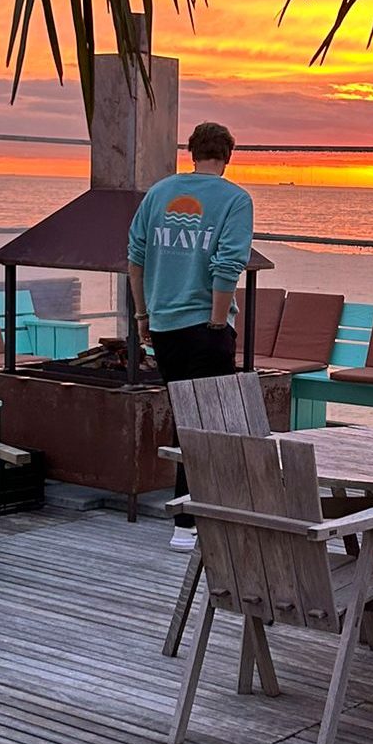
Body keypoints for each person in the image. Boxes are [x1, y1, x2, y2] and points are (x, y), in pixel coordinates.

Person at [127, 122, 253, 550]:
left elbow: (136, 259)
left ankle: (192, 514)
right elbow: (228, 263)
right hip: (205, 325)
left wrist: (143, 315)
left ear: (192, 152)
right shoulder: (235, 199)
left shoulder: (159, 193)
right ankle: (189, 520)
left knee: (185, 416)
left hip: (164, 326)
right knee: (208, 423)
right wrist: (218, 322)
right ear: (228, 156)